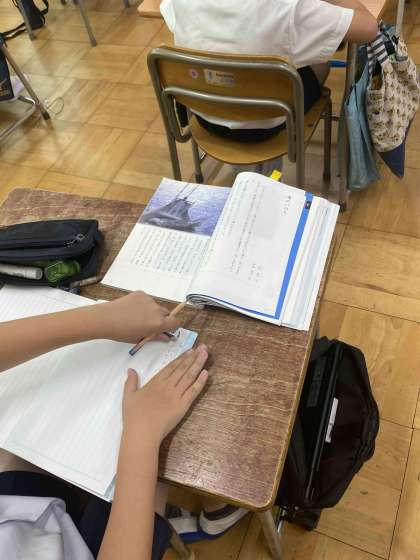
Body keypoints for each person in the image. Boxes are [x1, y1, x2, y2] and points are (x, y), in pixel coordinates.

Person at [0, 291, 210, 560]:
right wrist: (142, 435)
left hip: (15, 520)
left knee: (30, 431)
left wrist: (100, 318)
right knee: (160, 454)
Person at [160, 0, 378, 148]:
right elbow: (369, 28)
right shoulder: (290, 7)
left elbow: (169, 14)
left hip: (203, 113)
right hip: (270, 122)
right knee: (318, 60)